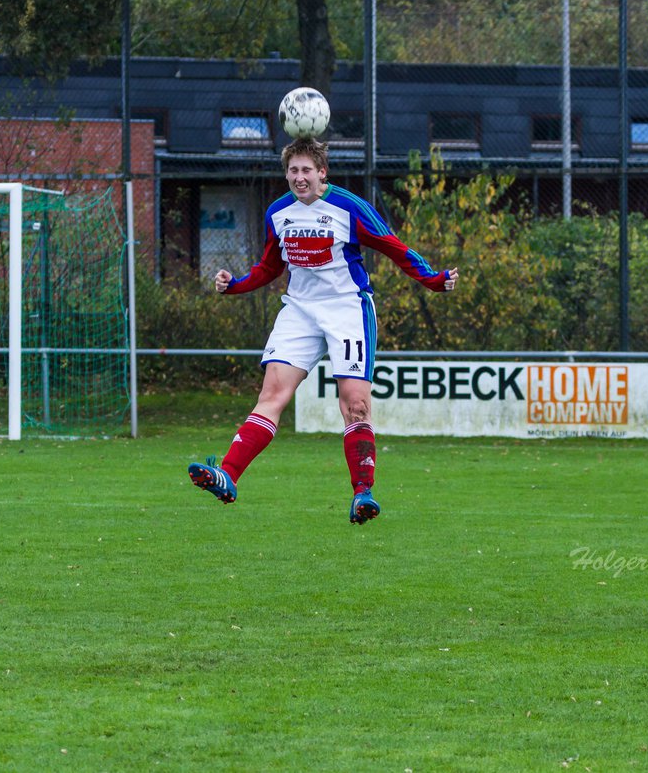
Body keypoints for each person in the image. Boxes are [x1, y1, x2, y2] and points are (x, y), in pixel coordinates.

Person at [187, 137, 459, 524]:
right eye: (293, 171)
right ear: (287, 174)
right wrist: (236, 283)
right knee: (272, 394)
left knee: (355, 403)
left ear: (322, 172)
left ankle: (363, 493)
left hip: (347, 308)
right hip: (299, 311)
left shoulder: (348, 207)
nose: (299, 178)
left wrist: (432, 279)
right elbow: (269, 267)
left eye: (306, 171)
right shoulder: (278, 213)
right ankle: (227, 475)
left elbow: (393, 246)